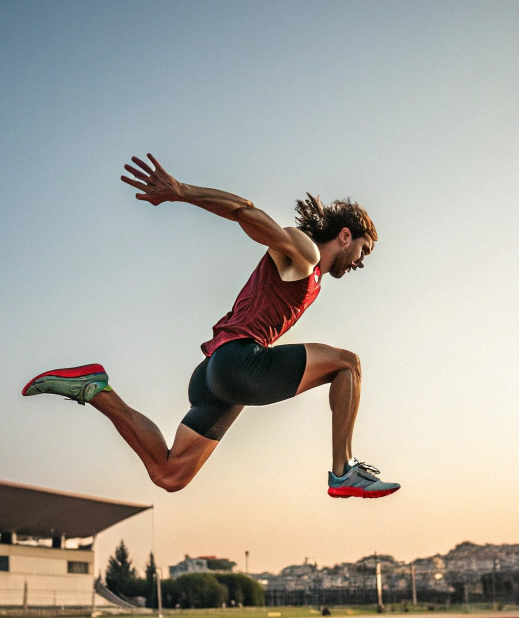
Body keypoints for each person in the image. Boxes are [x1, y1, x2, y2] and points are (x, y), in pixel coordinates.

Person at [22, 154, 399, 499]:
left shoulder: (311, 273)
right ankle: (343, 471)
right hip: (240, 363)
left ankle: (96, 389)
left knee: (170, 474)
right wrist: (181, 191)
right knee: (348, 364)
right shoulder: (306, 253)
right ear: (345, 236)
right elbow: (245, 213)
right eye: (363, 251)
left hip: (216, 374)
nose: (360, 262)